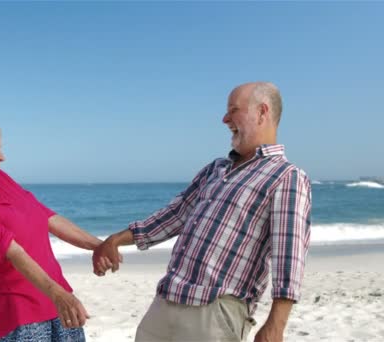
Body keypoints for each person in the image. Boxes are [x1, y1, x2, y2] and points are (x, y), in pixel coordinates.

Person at [93, 82, 312, 342]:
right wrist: (116, 239)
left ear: (262, 112)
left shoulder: (287, 177)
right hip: (166, 302)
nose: (224, 119)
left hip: (214, 312)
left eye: (233, 110)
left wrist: (276, 325)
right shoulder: (215, 169)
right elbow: (174, 216)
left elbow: (289, 254)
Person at [0, 120, 103, 341]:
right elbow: (13, 252)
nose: (1, 157)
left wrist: (99, 246)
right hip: (17, 306)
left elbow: (47, 217)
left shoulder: (1, 180)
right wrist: (58, 295)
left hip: (57, 295)